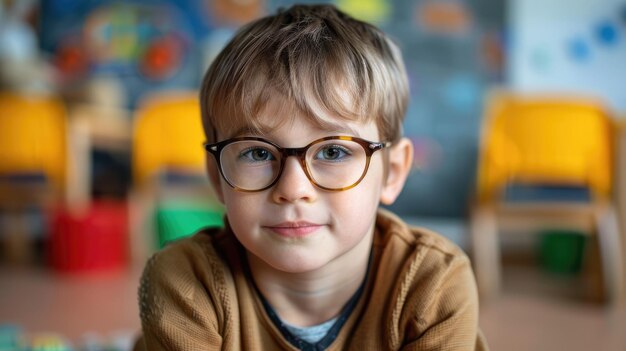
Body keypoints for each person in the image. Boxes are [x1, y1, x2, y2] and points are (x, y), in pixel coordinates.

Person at [137, 4, 488, 350]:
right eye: (257, 153)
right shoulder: (184, 282)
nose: (293, 190)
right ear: (217, 176)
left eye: (333, 152)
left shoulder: (432, 286)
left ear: (392, 173)